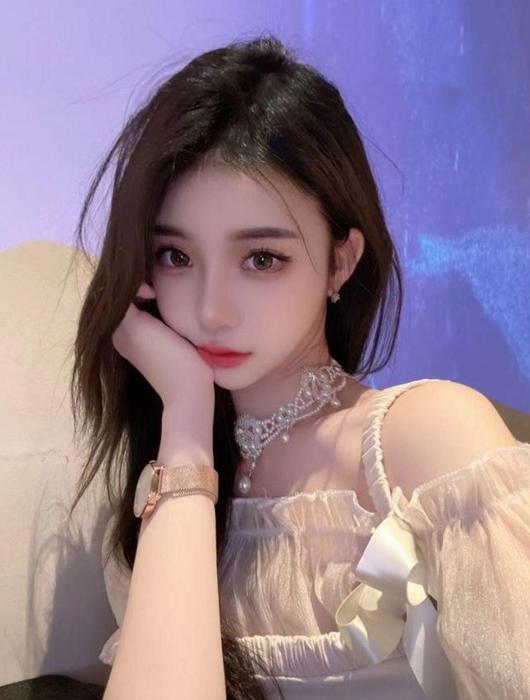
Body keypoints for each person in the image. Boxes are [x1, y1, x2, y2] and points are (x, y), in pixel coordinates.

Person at [67, 33, 530, 699]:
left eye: (262, 259)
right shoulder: (167, 474)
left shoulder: (423, 438)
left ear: (340, 262)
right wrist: (188, 419)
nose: (211, 310)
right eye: (175, 256)